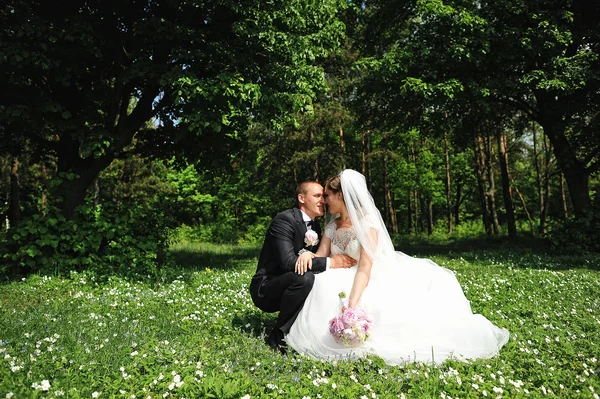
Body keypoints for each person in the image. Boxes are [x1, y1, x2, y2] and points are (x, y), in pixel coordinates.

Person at [285, 170, 509, 365]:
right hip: (337, 275)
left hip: (365, 277)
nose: (324, 200)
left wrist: (351, 304)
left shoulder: (367, 224)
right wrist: (305, 255)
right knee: (322, 285)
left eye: (326, 195)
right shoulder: (332, 226)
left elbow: (364, 267)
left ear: (340, 195)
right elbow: (321, 256)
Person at [249, 181, 356, 354]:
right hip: (267, 287)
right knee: (305, 278)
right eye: (317, 196)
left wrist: (310, 255)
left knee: (318, 279)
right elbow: (288, 263)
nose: (323, 200)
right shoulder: (284, 220)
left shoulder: (315, 225)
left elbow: (311, 257)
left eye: (324, 196)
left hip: (291, 282)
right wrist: (331, 262)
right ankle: (278, 336)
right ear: (302, 198)